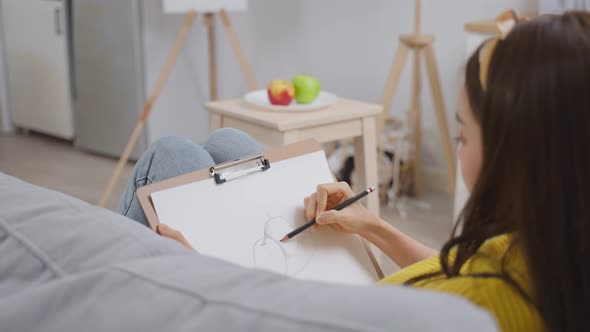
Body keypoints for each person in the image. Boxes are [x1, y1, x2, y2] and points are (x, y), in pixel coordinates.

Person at [117, 12, 590, 332]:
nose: (458, 147)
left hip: (294, 308)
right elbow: (454, 270)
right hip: (360, 295)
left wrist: (203, 277)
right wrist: (374, 228)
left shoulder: (482, 309)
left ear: (517, 157)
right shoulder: (548, 245)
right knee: (230, 146)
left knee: (172, 157)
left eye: (462, 136)